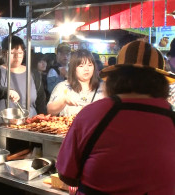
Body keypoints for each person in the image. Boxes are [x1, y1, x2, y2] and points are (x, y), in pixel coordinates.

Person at [56, 41, 175, 194]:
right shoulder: (171, 120)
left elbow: (67, 176)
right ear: (161, 83)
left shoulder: (92, 114)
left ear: (114, 78)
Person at [0, 35, 47, 124]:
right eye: (12, 53)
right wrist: (6, 92)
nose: (17, 56)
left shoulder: (34, 74)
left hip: (31, 127)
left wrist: (43, 122)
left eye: (20, 53)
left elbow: (41, 103)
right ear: (3, 53)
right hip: (3, 126)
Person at [47, 49, 104, 116]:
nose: (86, 69)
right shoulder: (62, 87)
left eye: (90, 65)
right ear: (73, 68)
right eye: (81, 66)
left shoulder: (104, 87)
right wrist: (63, 101)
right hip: (69, 126)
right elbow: (50, 111)